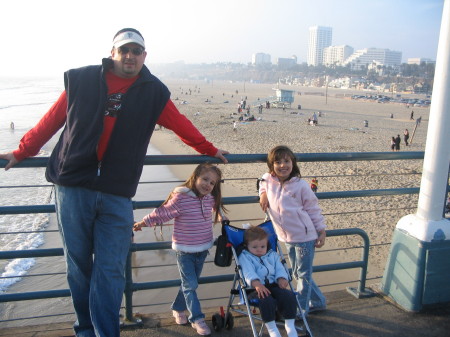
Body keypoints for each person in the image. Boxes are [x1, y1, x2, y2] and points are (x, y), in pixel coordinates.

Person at [0, 28, 229, 337]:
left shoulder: (153, 92)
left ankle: (106, 332)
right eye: (124, 50)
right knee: (78, 267)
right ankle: (85, 329)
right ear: (112, 53)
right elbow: (52, 119)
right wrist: (22, 151)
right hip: (72, 187)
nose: (130, 56)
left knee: (110, 270)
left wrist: (209, 150)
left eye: (136, 51)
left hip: (116, 192)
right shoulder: (81, 80)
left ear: (144, 56)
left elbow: (180, 124)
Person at [133, 163, 227, 336]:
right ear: (195, 177)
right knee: (190, 285)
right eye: (205, 179)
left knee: (190, 284)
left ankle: (177, 308)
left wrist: (222, 217)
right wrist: (142, 223)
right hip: (185, 250)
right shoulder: (181, 198)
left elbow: (217, 206)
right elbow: (162, 213)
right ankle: (197, 318)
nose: (208, 185)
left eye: (212, 183)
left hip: (203, 248)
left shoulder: (209, 198)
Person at [258, 145, 327, 316]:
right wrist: (263, 194)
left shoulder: (301, 186)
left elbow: (313, 209)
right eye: (278, 162)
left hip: (305, 237)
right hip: (286, 237)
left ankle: (300, 309)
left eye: (286, 161)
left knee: (303, 274)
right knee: (296, 272)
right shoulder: (269, 180)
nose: (283, 165)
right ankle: (318, 301)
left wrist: (321, 230)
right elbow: (262, 181)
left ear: (293, 163)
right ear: (271, 165)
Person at [238, 226, 298, 337]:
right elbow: (248, 272)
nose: (259, 249)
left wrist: (281, 278)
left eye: (262, 246)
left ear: (267, 245)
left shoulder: (272, 255)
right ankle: (272, 329)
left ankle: (290, 325)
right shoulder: (245, 257)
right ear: (247, 246)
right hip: (254, 289)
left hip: (273, 285)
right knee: (266, 300)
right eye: (255, 247)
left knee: (288, 295)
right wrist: (257, 284)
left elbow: (280, 268)